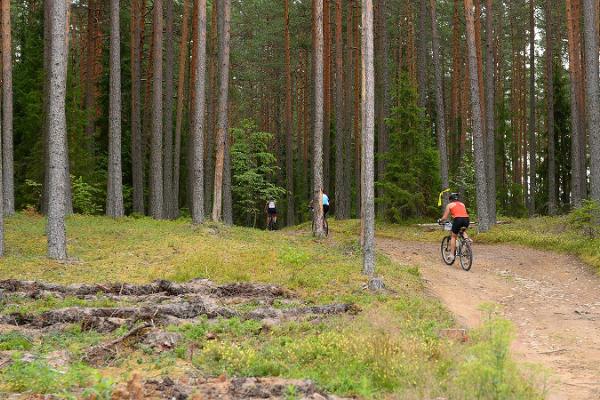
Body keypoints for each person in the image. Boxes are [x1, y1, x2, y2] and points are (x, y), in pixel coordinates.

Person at [438, 193, 470, 261]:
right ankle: (467, 241)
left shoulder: (449, 205)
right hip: (466, 219)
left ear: (451, 199)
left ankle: (452, 255)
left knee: (453, 236)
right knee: (462, 231)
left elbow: (445, 217)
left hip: (458, 219)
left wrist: (440, 220)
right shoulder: (462, 204)